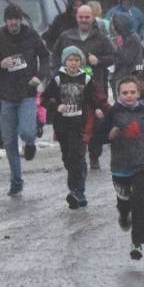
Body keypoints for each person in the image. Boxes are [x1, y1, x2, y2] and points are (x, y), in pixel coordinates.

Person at [0, 3, 51, 196]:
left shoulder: (31, 35)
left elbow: (45, 57)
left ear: (21, 20)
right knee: (9, 141)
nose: (13, 23)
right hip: (6, 95)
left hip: (27, 92)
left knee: (27, 132)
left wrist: (39, 76)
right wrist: (0, 64)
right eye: (10, 19)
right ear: (5, 21)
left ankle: (30, 143)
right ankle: (16, 181)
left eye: (16, 19)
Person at [98, 76, 144, 260]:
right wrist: (108, 135)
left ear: (138, 93)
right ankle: (124, 213)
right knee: (125, 202)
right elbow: (98, 136)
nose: (129, 96)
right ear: (118, 94)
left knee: (138, 200)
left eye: (133, 92)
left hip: (141, 163)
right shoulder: (113, 113)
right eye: (125, 93)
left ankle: (137, 241)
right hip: (120, 165)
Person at [41, 46, 107, 208]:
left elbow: (93, 98)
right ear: (65, 61)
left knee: (78, 157)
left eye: (77, 60)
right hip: (62, 125)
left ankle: (78, 192)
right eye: (70, 60)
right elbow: (44, 99)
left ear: (81, 62)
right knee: (68, 158)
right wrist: (56, 106)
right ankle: (76, 190)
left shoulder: (86, 79)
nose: (73, 63)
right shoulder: (58, 78)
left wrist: (97, 108)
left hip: (80, 124)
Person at [52, 4, 116, 170]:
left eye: (87, 17)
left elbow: (114, 56)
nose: (84, 20)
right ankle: (75, 156)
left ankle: (94, 155)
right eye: (81, 17)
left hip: (95, 87)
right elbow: (55, 56)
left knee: (96, 122)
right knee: (74, 123)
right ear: (76, 18)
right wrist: (58, 73)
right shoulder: (66, 36)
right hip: (71, 88)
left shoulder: (101, 37)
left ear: (93, 18)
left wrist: (99, 60)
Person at [109, 13, 144, 100]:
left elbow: (126, 58)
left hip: (128, 76)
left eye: (114, 25)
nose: (113, 28)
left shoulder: (132, 38)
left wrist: (114, 50)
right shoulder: (123, 37)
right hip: (120, 74)